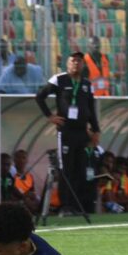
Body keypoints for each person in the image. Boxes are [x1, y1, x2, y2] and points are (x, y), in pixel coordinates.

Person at [35, 52, 100, 214]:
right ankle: (65, 206)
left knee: (81, 169)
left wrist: (96, 130)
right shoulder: (59, 79)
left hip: (82, 132)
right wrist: (50, 116)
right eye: (73, 60)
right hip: (66, 131)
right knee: (66, 169)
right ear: (67, 63)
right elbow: (40, 96)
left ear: (83, 64)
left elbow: (91, 109)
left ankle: (78, 205)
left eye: (79, 61)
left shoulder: (87, 83)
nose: (76, 63)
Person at [10, 149, 42, 214]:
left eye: (23, 158)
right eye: (18, 157)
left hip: (28, 199)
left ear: (27, 161)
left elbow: (32, 191)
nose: (21, 160)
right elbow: (11, 190)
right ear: (14, 160)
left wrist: (32, 195)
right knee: (26, 202)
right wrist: (24, 196)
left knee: (39, 200)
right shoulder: (11, 174)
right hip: (18, 199)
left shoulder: (30, 176)